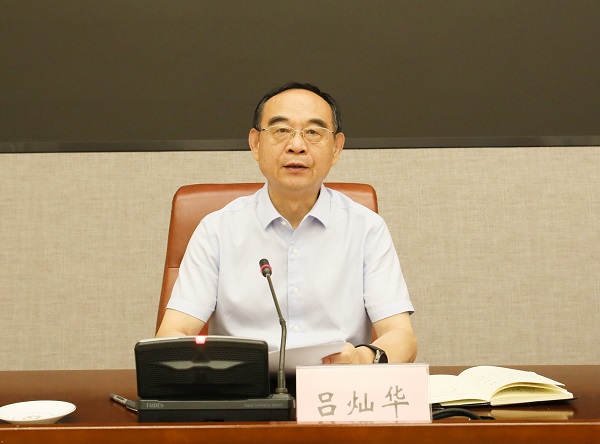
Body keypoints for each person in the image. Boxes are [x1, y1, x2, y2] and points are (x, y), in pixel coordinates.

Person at [156, 82, 417, 365]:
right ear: (256, 144)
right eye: (281, 130)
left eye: (313, 132)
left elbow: (401, 337)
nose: (296, 146)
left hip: (336, 384)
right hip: (246, 385)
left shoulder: (367, 229)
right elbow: (173, 333)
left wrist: (361, 359)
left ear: (336, 148)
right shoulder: (216, 230)